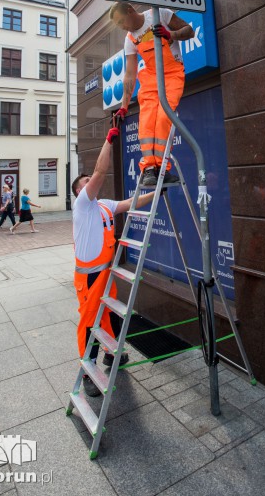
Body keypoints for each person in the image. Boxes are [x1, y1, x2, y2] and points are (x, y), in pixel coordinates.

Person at [72, 124, 158, 397]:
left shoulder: (104, 205)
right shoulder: (83, 205)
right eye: (84, 182)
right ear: (79, 192)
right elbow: (99, 171)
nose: (90, 181)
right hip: (88, 276)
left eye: (88, 180)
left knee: (110, 314)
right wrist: (109, 139)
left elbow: (131, 203)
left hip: (105, 273)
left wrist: (157, 194)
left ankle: (114, 354)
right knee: (89, 323)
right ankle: (88, 370)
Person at [109, 2, 194, 186]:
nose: (122, 27)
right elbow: (130, 74)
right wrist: (123, 107)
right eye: (118, 25)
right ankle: (149, 169)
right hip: (150, 76)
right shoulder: (130, 39)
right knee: (147, 120)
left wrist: (171, 35)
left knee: (164, 118)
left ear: (130, 10)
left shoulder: (160, 15)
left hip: (172, 74)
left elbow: (189, 31)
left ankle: (161, 168)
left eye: (122, 21)